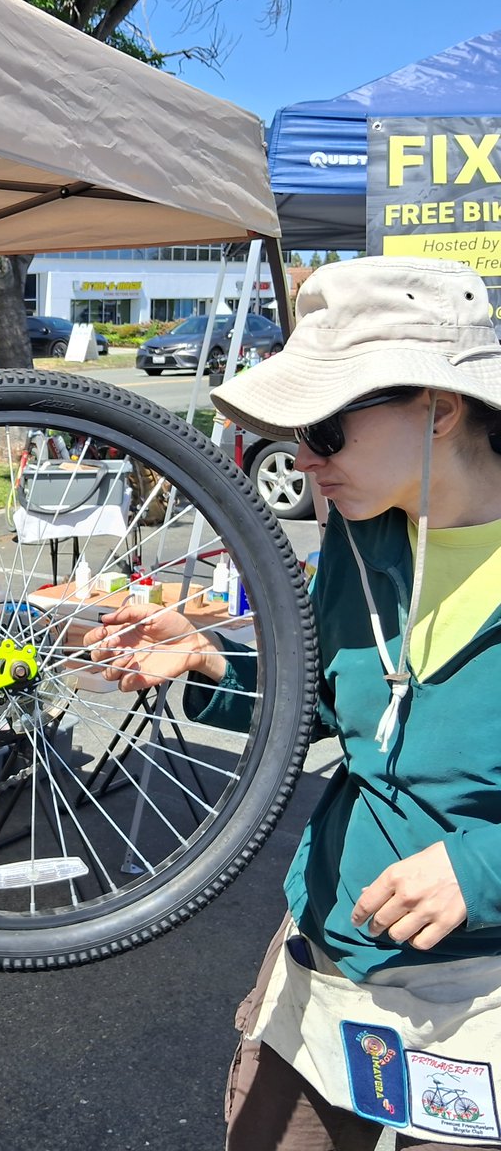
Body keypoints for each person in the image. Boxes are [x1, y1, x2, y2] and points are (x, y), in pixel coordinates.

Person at [85, 256, 501, 1150]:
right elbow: (317, 711)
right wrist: (205, 664)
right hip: (330, 953)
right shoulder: (360, 545)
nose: (303, 458)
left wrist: (481, 870)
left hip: (481, 997)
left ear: (439, 406)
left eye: (325, 426)